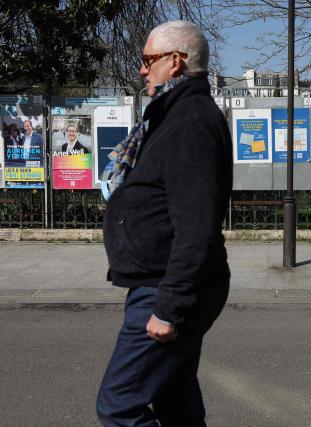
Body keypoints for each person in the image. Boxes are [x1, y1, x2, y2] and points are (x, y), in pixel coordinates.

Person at [96, 20, 232, 426]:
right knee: (174, 399)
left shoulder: (190, 123)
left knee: (119, 407)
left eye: (148, 60)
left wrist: (169, 307)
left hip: (166, 286)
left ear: (175, 62)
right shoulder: (173, 116)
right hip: (161, 280)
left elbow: (196, 227)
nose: (142, 69)